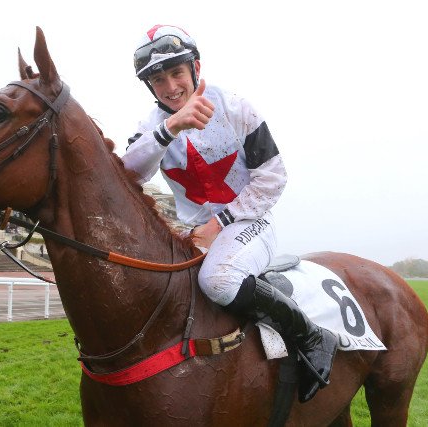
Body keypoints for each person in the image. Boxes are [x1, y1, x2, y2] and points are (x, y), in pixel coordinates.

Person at [122, 24, 337, 403]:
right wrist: (169, 129)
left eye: (176, 73)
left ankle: (311, 335)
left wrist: (219, 223)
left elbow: (273, 177)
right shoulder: (152, 126)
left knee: (218, 281)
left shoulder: (235, 107)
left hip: (249, 222)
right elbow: (128, 176)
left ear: (195, 68)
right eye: (158, 80)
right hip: (193, 231)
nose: (170, 87)